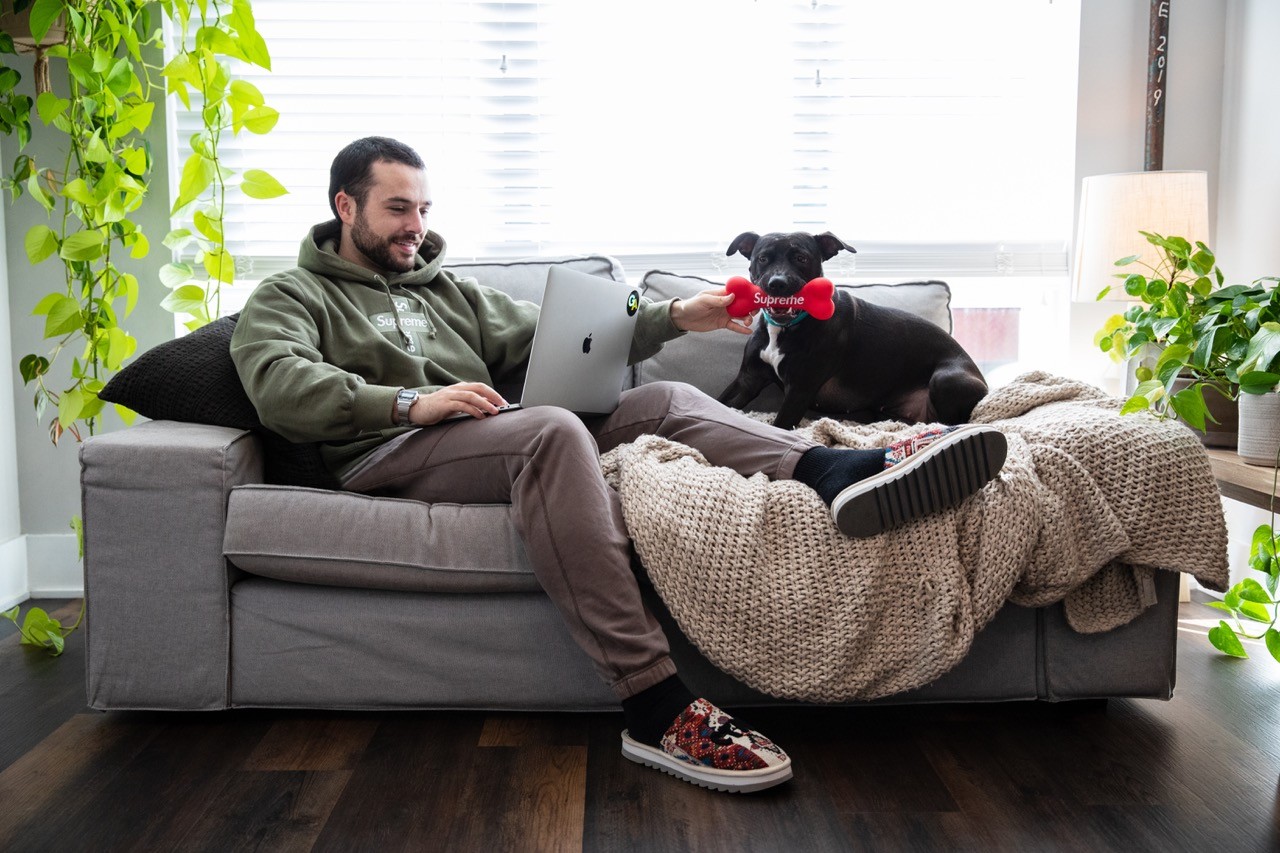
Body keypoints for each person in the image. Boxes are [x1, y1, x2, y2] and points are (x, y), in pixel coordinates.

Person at [230, 136, 1007, 794]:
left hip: (475, 434)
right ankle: (653, 705)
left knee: (664, 398)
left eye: (424, 209)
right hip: (385, 450)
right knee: (552, 431)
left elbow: (566, 333)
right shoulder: (291, 295)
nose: (415, 226)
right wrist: (407, 403)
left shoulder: (445, 291)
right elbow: (279, 385)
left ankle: (834, 469)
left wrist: (675, 316)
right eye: (398, 209)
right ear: (345, 207)